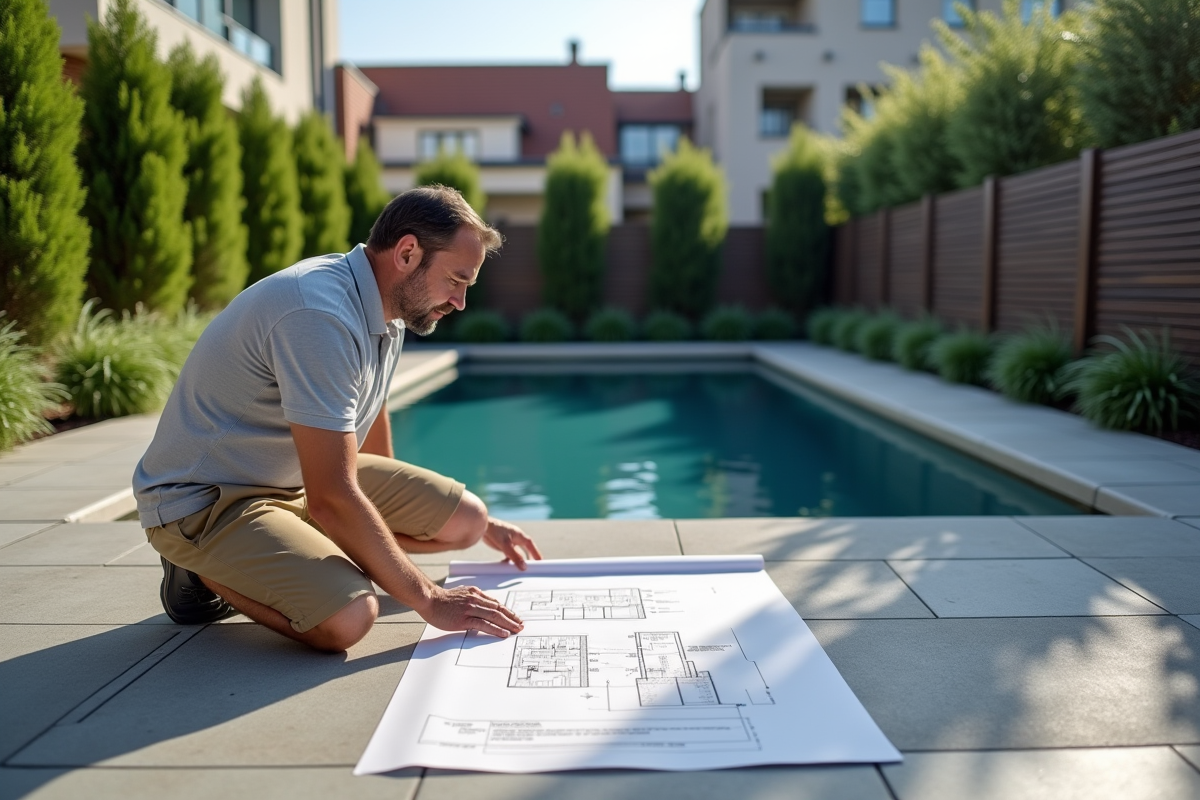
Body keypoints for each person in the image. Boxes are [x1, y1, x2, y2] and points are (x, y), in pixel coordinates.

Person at [133, 185, 542, 652]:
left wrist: (460, 528)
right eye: (457, 280)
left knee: (467, 520)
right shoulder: (317, 313)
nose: (461, 301)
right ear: (407, 252)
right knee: (350, 616)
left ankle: (297, 551)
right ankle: (199, 571)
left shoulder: (389, 309)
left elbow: (368, 415)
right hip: (210, 501)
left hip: (296, 481)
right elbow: (332, 496)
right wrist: (429, 598)